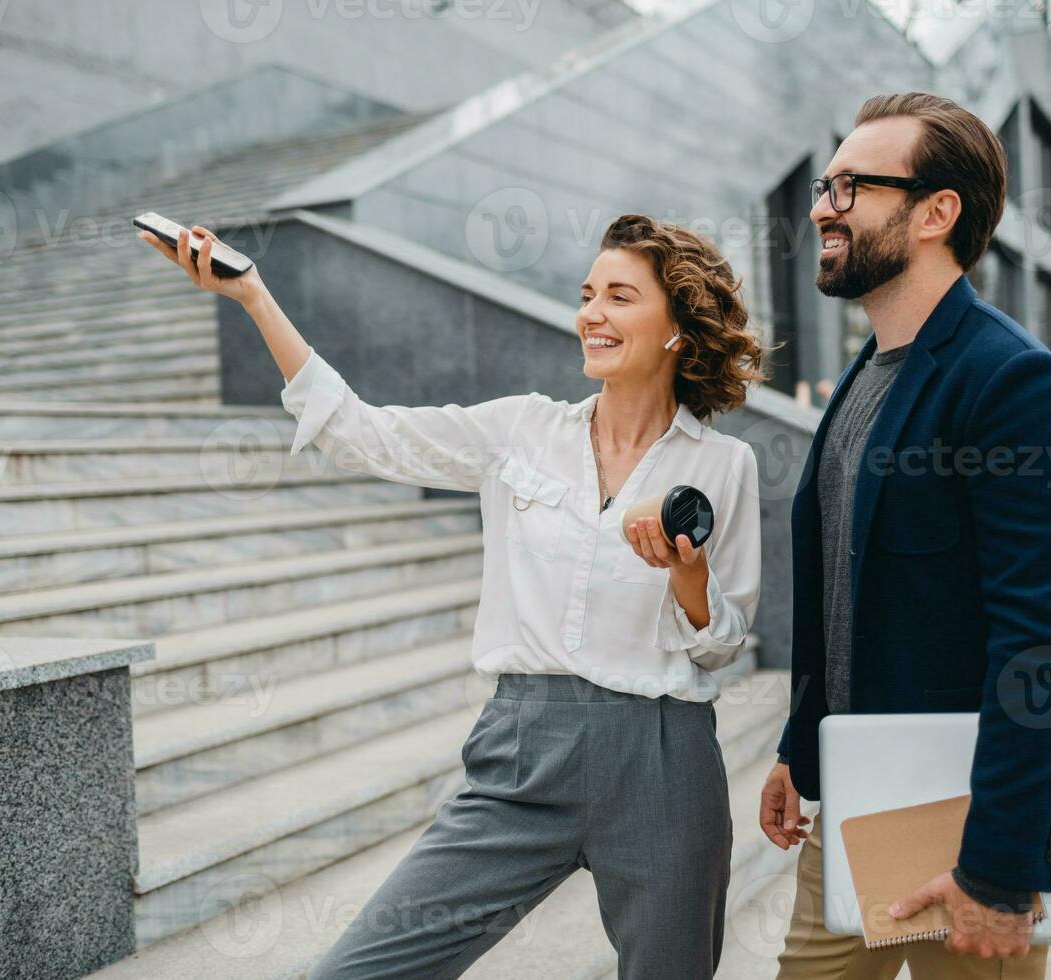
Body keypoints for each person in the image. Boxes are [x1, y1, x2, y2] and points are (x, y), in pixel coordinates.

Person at [138, 213, 770, 978]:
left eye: (620, 297)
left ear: (677, 326)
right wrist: (254, 297)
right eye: (586, 294)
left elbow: (724, 641)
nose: (591, 314)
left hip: (664, 765)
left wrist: (689, 580)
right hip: (523, 753)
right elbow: (362, 433)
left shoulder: (724, 465)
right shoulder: (521, 430)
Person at [758, 92, 1051, 978]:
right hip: (856, 802)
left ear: (937, 211)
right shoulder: (864, 376)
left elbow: (1041, 649)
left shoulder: (1014, 382)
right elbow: (849, 590)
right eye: (825, 184)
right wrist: (803, 744)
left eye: (849, 187)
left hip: (962, 830)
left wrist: (998, 866)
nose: (822, 206)